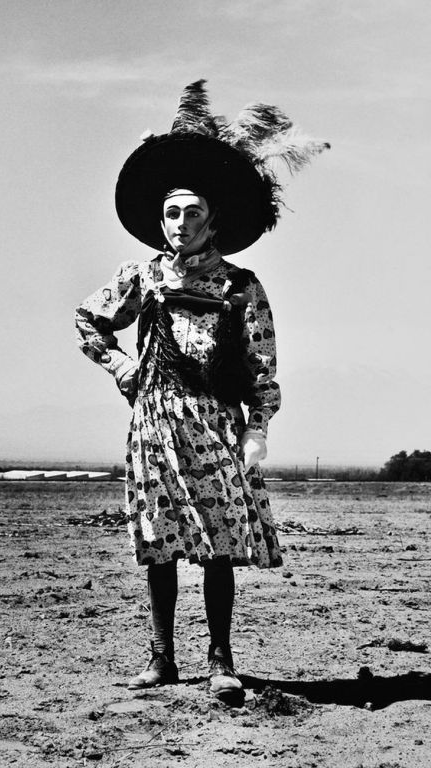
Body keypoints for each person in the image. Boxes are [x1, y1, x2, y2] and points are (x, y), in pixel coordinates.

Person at [75, 80, 328, 699]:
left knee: (216, 548)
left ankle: (220, 660)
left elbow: (264, 368)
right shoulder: (141, 277)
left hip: (214, 428)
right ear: (158, 219)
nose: (180, 224)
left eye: (191, 212)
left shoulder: (242, 286)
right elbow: (88, 320)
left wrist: (256, 428)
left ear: (213, 217)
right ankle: (161, 659)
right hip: (153, 425)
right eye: (170, 213)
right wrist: (121, 368)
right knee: (158, 542)